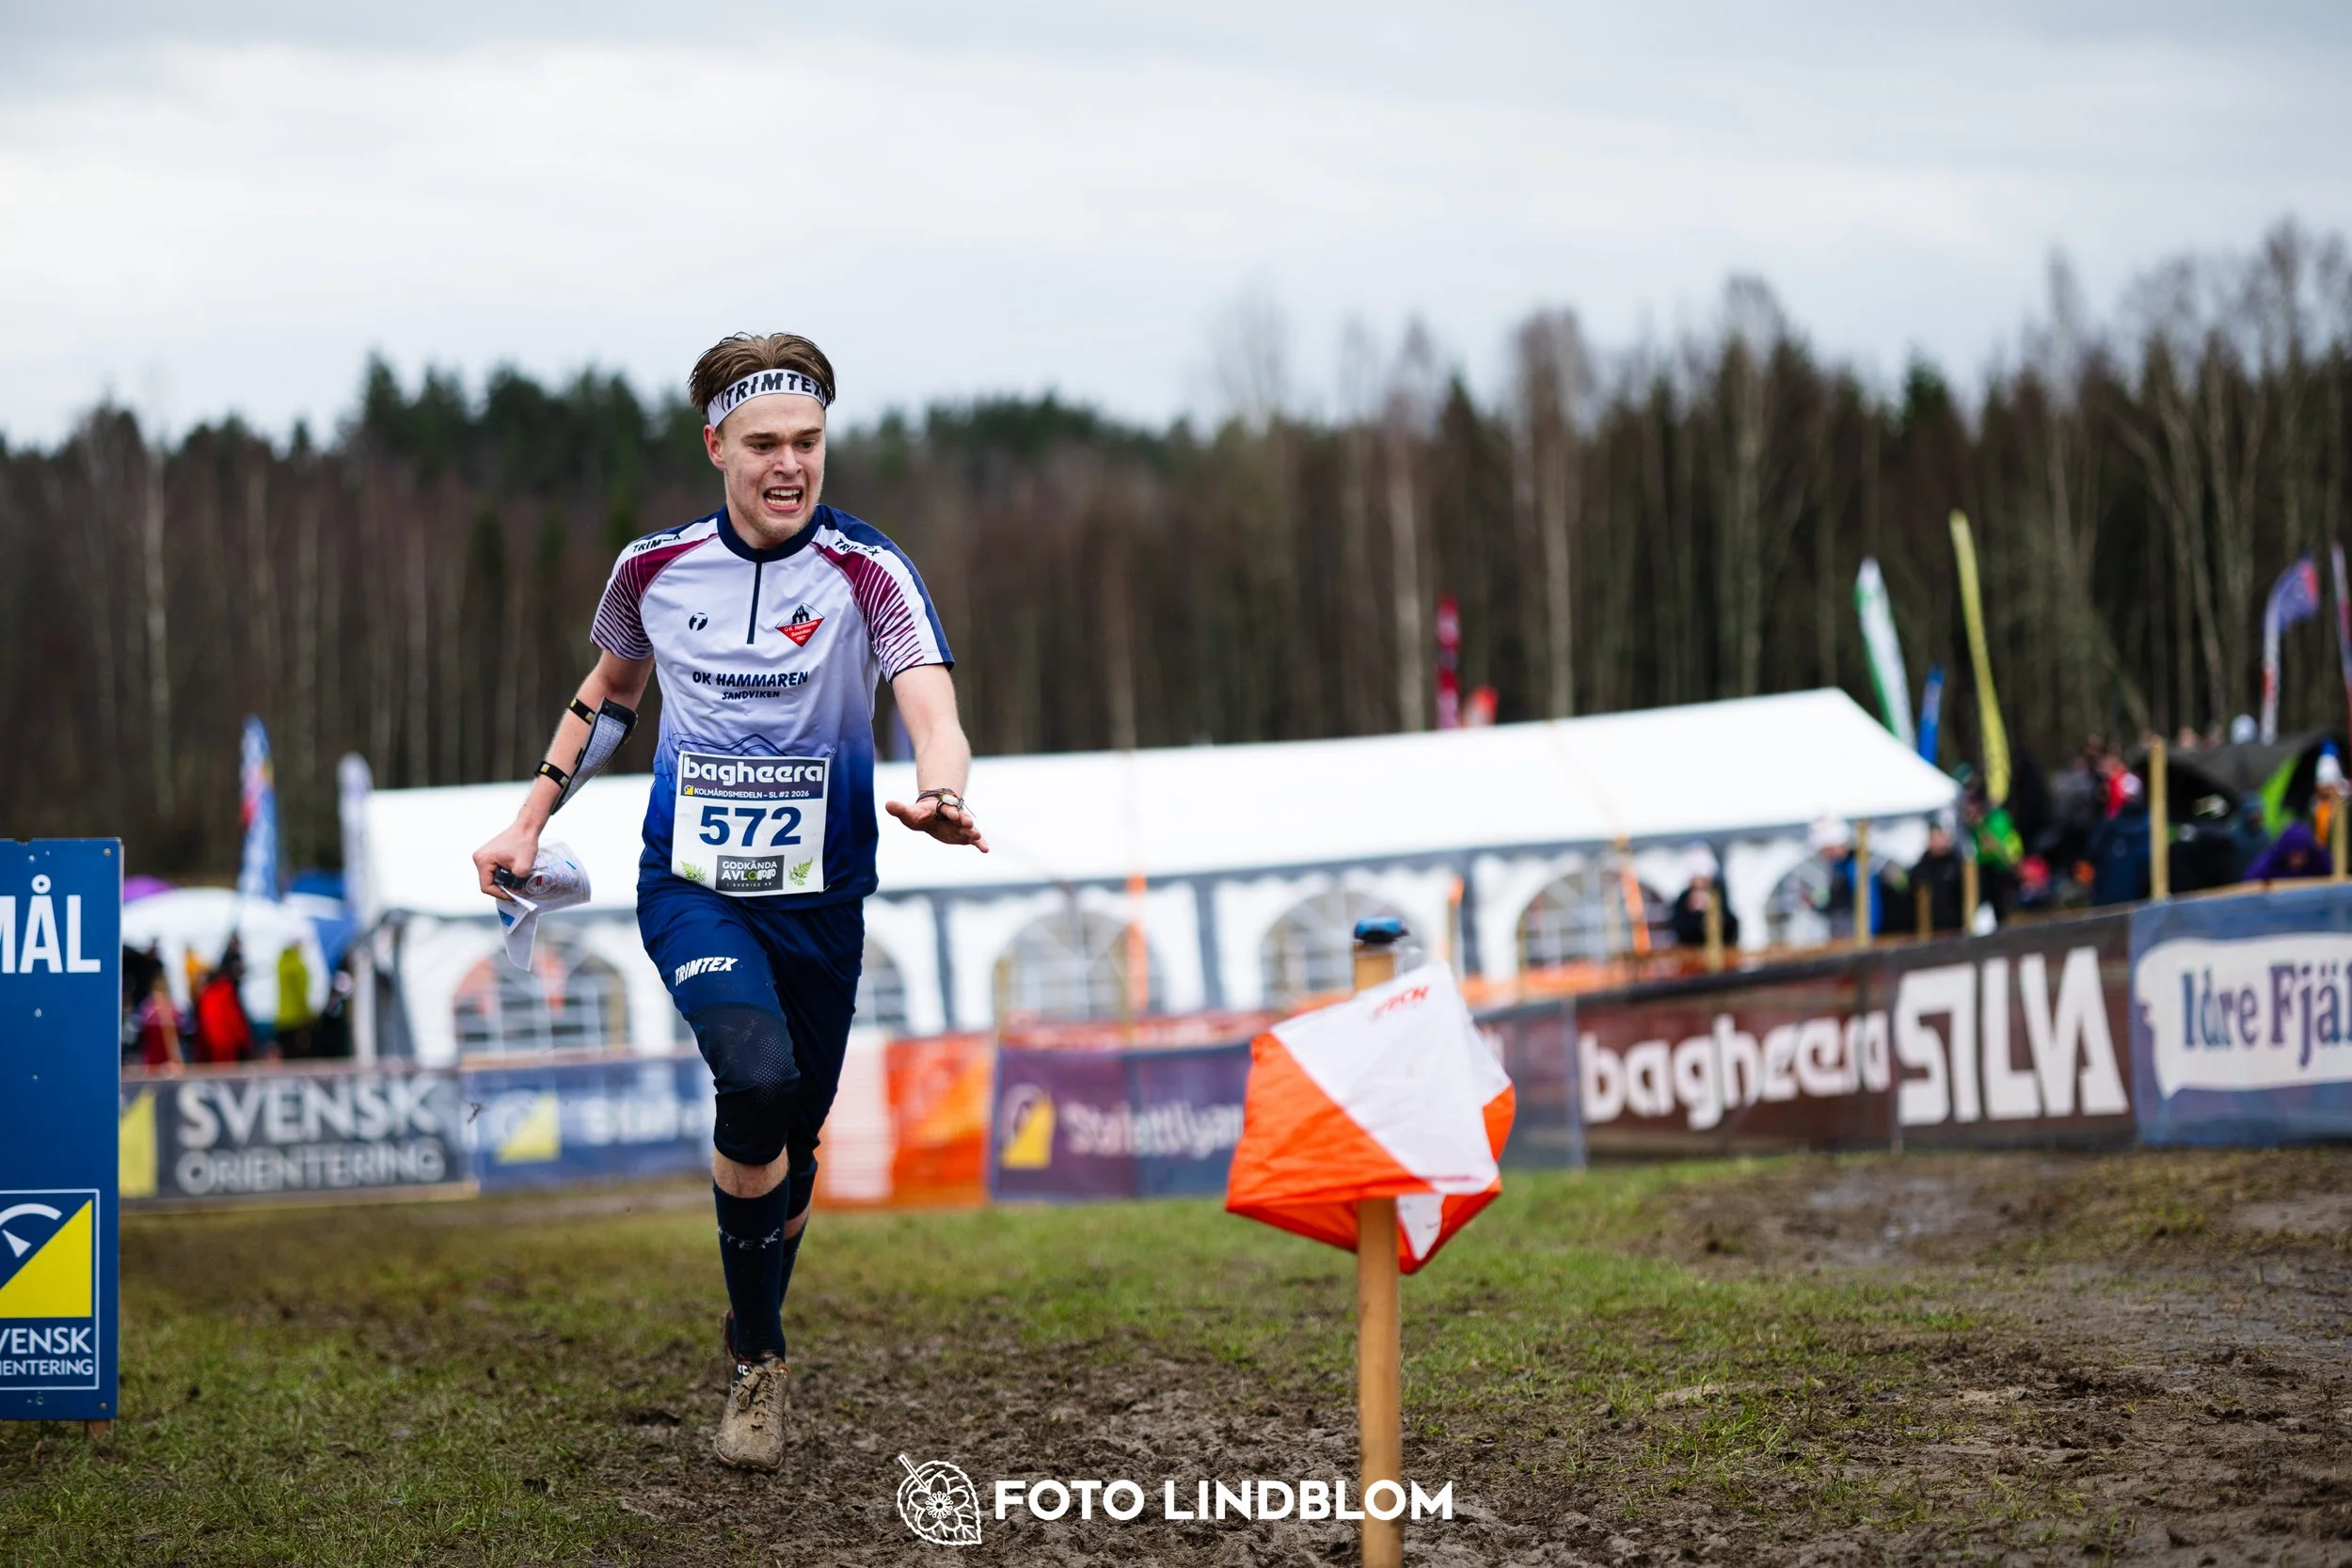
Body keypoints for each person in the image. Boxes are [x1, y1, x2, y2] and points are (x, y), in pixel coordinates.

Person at [471, 332, 988, 1472]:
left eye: (808, 441)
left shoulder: (869, 569)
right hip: (694, 886)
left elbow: (929, 702)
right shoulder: (652, 568)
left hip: (823, 901)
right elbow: (608, 690)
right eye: (763, 443)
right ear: (716, 446)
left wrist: (941, 787)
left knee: (793, 1143)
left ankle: (751, 1309)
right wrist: (529, 818)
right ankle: (760, 1356)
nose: (789, 464)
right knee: (751, 1080)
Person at [195, 942, 255, 1066]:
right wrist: (243, 1038)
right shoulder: (224, 992)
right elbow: (233, 1017)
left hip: (216, 1041)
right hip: (226, 1041)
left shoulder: (209, 995)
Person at [1668, 843, 1738, 949]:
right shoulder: (1683, 899)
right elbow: (1679, 929)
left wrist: (1719, 919)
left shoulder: (1719, 895)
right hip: (1691, 956)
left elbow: (1732, 926)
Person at [1909, 816, 1965, 933]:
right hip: (1930, 929)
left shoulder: (1957, 865)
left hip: (1956, 928)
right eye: (1936, 836)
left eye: (1942, 836)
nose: (1940, 839)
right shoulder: (1921, 868)